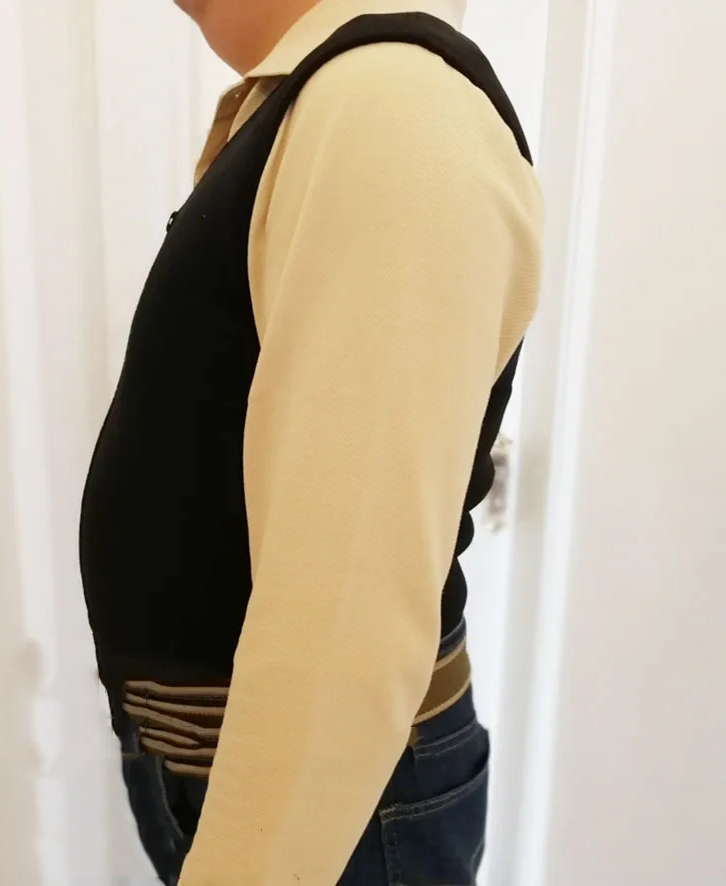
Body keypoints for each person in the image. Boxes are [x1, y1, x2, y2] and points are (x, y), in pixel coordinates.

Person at [79, 1, 543, 884]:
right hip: (288, 796)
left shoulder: (390, 111)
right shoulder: (335, 100)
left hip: (335, 814)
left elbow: (350, 612)